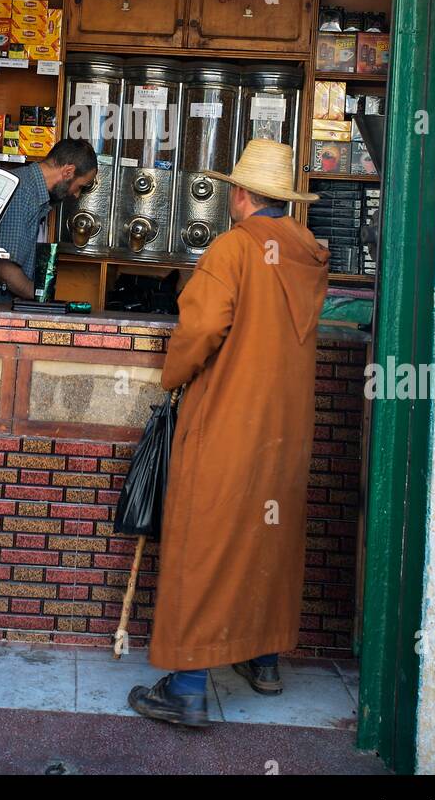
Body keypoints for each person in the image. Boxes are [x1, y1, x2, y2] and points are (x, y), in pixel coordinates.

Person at [128, 138, 329, 727]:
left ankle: (188, 686)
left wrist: (173, 376)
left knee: (206, 540)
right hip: (284, 433)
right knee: (267, 537)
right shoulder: (307, 254)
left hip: (226, 424)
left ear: (239, 194)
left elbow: (201, 330)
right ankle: (263, 662)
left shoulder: (233, 249)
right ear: (284, 201)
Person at [0, 137, 97, 305]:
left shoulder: (33, 191)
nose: (76, 194)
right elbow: (4, 267)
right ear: (68, 172)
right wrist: (41, 297)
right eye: (80, 186)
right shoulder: (23, 192)